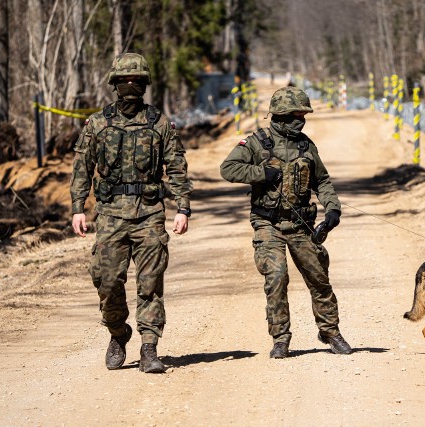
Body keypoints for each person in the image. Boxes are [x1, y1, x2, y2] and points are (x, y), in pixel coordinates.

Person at [70, 52, 192, 373]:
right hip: (109, 215)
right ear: (114, 84)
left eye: (136, 80)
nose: (130, 85)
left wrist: (183, 207)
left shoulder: (160, 123)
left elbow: (177, 166)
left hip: (150, 213)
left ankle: (149, 348)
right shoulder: (98, 123)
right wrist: (77, 208)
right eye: (124, 80)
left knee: (150, 283)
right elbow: (82, 167)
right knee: (107, 282)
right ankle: (118, 332)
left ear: (144, 84)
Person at [220, 87, 352, 358]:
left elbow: (322, 180)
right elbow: (228, 168)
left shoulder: (306, 145)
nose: (301, 119)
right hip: (268, 225)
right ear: (281, 115)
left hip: (301, 225)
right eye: (296, 114)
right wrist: (261, 173)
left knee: (319, 278)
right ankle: (280, 337)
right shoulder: (257, 142)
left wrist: (332, 210)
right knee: (276, 276)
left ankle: (330, 331)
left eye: (303, 114)